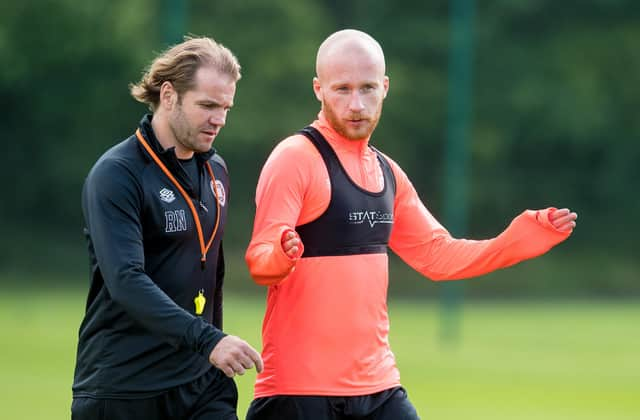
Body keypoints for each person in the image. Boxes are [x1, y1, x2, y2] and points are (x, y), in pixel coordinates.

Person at [244, 29, 577, 420]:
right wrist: (281, 256)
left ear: (385, 87)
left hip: (379, 390)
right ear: (318, 89)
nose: (356, 103)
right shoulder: (295, 158)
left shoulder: (388, 173)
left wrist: (513, 242)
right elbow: (259, 260)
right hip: (299, 395)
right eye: (342, 89)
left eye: (367, 88)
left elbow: (438, 257)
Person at [71, 37, 263, 420]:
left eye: (226, 107)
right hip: (125, 389)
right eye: (207, 105)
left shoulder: (216, 171)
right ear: (169, 95)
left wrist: (210, 352)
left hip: (200, 386)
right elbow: (126, 280)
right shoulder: (118, 174)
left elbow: (211, 271)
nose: (220, 119)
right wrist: (210, 341)